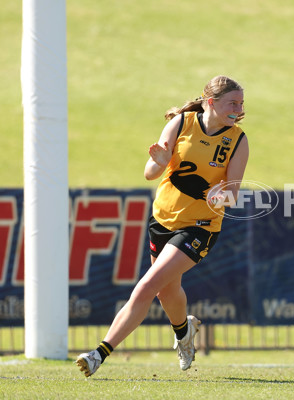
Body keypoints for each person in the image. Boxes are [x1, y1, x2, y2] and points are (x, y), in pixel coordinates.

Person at [76, 75, 249, 377]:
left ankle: (99, 354)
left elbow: (231, 195)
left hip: (200, 226)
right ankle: (185, 333)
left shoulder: (237, 140)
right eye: (232, 102)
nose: (239, 108)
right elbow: (150, 173)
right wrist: (159, 160)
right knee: (166, 293)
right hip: (163, 219)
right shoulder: (182, 123)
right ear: (211, 102)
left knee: (146, 285)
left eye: (241, 103)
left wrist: (217, 196)